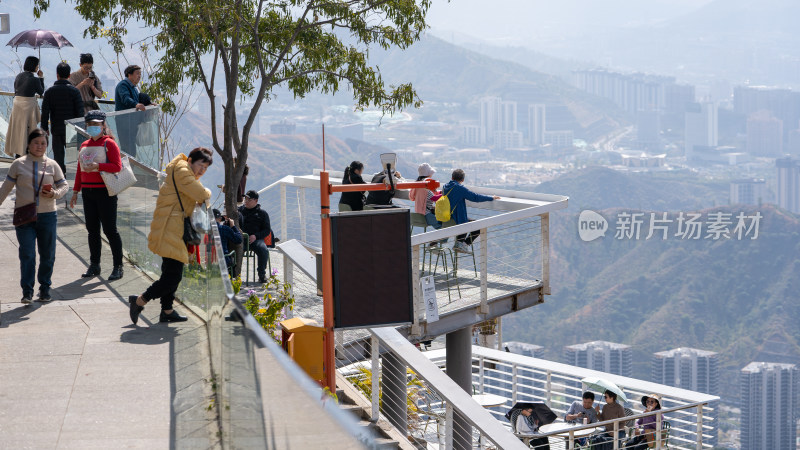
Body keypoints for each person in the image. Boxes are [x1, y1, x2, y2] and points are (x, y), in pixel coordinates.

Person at [128, 148, 213, 324]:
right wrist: (208, 192)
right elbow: (202, 194)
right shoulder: (183, 172)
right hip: (170, 228)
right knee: (173, 276)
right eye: (200, 165)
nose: (202, 170)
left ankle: (167, 311)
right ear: (190, 160)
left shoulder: (182, 169)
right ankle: (140, 300)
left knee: (170, 272)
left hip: (172, 227)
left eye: (205, 168)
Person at [0, 129, 69, 303]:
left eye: (43, 143)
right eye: (36, 143)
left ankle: (45, 289)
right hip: (24, 217)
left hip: (48, 216)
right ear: (29, 145)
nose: (39, 146)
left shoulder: (53, 164)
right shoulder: (18, 164)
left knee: (48, 255)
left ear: (47, 145)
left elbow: (64, 186)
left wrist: (54, 194)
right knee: (28, 254)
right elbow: (5, 188)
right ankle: (27, 291)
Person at [69, 110, 125, 281]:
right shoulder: (84, 145)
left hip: (105, 191)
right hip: (88, 191)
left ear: (103, 125)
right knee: (92, 230)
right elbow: (80, 169)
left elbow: (117, 166)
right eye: (90, 124)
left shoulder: (109, 144)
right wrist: (75, 191)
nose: (93, 127)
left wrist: (98, 166)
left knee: (110, 230)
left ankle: (118, 266)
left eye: (97, 124)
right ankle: (95, 265)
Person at [441, 168, 500, 253]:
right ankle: (463, 245)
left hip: (447, 218)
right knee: (477, 226)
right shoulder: (459, 188)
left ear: (452, 177)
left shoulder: (445, 186)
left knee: (466, 221)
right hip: (457, 219)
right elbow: (475, 197)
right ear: (463, 179)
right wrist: (491, 198)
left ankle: (459, 243)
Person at [41, 62, 83, 175]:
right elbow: (80, 113)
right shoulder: (75, 91)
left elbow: (45, 112)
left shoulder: (49, 92)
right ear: (69, 76)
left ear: (57, 75)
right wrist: (80, 129)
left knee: (58, 155)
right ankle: (78, 178)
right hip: (71, 130)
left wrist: (44, 128)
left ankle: (60, 176)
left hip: (56, 128)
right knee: (75, 157)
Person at [5, 56, 45, 158]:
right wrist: (41, 78)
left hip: (17, 106)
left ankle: (18, 155)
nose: (37, 67)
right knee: (28, 133)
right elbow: (41, 92)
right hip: (28, 108)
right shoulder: (35, 79)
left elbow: (16, 90)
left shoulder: (18, 76)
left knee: (18, 131)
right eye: (37, 65)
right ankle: (26, 157)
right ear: (34, 66)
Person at [238, 190, 272, 283]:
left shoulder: (262, 213)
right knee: (232, 249)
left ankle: (261, 275)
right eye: (245, 199)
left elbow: (266, 230)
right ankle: (234, 275)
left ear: (256, 201)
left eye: (249, 199)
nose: (246, 201)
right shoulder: (239, 211)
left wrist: (256, 236)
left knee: (263, 250)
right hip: (241, 239)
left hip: (255, 240)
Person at [114, 64, 147, 157]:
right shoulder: (123, 85)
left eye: (140, 74)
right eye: (137, 73)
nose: (139, 76)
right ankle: (126, 169)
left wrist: (148, 104)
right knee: (127, 148)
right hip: (124, 121)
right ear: (129, 75)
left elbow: (138, 99)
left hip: (132, 121)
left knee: (132, 147)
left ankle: (130, 167)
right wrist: (135, 105)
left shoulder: (134, 87)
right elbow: (126, 98)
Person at [408, 162, 441, 229]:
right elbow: (434, 198)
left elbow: (411, 197)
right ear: (428, 174)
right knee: (443, 228)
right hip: (426, 215)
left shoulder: (416, 184)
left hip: (418, 215)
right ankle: (439, 240)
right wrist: (443, 194)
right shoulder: (427, 185)